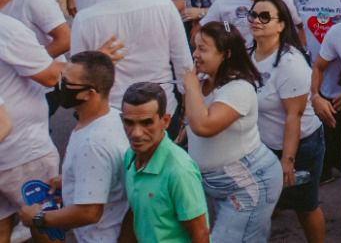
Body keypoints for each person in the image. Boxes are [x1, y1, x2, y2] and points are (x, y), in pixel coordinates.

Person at [182, 23, 283, 242]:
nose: (195, 55)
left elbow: (203, 126)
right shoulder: (202, 82)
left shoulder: (239, 89)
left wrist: (189, 86)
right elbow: (191, 121)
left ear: (226, 54)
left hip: (248, 184)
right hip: (215, 184)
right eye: (195, 48)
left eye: (203, 49)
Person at [16, 51, 129, 242]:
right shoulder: (112, 118)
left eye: (67, 83)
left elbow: (89, 212)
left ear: (89, 93)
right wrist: (70, 180)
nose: (60, 86)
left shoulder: (93, 143)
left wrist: (37, 217)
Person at [69, 0, 193, 111]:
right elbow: (184, 65)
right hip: (163, 110)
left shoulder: (85, 19)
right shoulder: (164, 6)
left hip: (112, 114)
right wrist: (188, 110)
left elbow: (76, 78)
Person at [247, 0, 325, 242]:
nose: (256, 21)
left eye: (265, 17)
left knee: (305, 206)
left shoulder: (290, 62)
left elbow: (295, 116)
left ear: (281, 25)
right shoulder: (249, 54)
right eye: (253, 15)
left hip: (300, 145)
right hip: (265, 145)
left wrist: (287, 161)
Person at [118, 81, 211, 243]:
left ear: (166, 121)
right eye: (129, 122)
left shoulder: (179, 171)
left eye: (147, 122)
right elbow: (137, 209)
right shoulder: (130, 155)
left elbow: (200, 234)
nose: (136, 133)